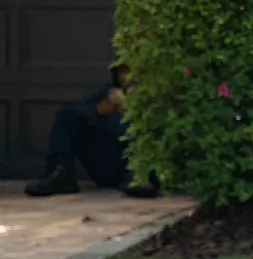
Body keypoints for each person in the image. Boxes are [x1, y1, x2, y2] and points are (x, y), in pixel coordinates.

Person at [24, 67, 158, 198]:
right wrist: (100, 109)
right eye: (123, 72)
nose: (128, 77)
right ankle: (61, 173)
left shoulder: (158, 96)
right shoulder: (106, 92)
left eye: (134, 72)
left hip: (141, 164)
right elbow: (72, 113)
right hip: (109, 163)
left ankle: (141, 177)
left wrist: (136, 105)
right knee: (67, 116)